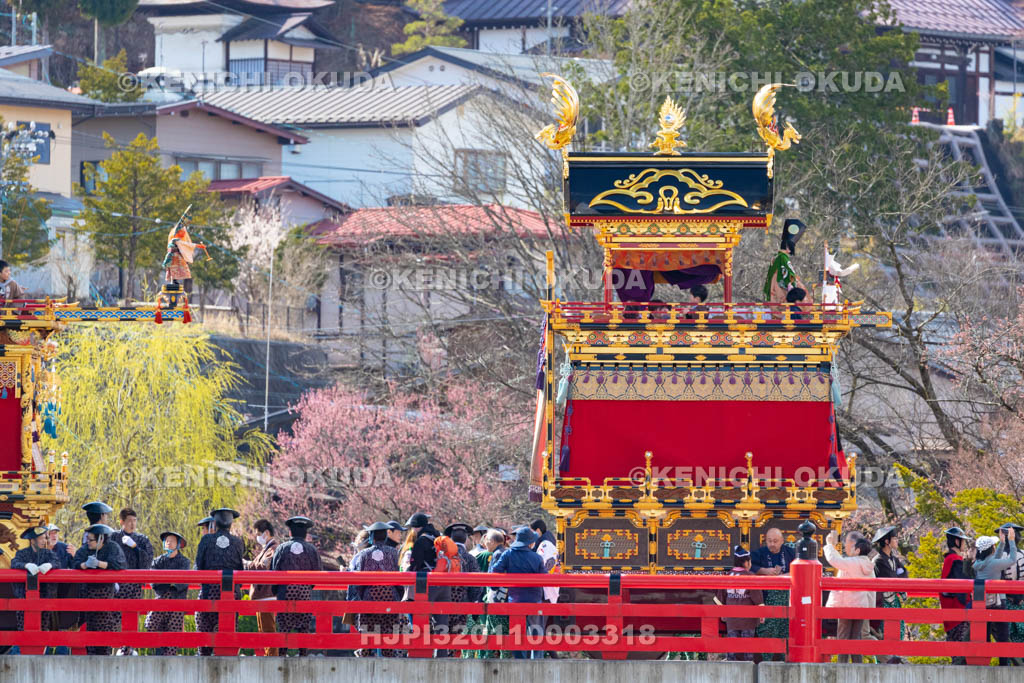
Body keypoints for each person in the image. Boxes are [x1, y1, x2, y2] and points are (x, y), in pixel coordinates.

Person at [348, 521, 406, 657]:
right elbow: (399, 577)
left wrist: (363, 597)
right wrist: (397, 596)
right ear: (385, 537)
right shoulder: (393, 553)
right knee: (388, 634)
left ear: (371, 537)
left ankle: (365, 654)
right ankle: (388, 657)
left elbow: (359, 582)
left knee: (367, 634)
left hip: (370, 597)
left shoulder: (364, 554)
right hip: (390, 597)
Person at [489, 527, 546, 660]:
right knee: (536, 632)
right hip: (534, 599)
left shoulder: (508, 554)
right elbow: (545, 577)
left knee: (517, 632)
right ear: (530, 543)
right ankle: (537, 659)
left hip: (515, 599)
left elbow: (495, 571)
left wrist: (494, 587)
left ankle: (519, 659)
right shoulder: (536, 557)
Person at [194, 508, 244, 656]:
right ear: (231, 524)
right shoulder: (237, 542)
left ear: (214, 523)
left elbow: (199, 567)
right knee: (227, 628)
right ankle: (227, 654)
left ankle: (204, 653)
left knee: (204, 626)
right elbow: (240, 569)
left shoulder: (206, 540)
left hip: (209, 591)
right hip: (231, 593)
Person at [270, 516, 322, 655]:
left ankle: (282, 653)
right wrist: (307, 586)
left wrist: (276, 590)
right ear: (306, 533)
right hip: (304, 590)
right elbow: (317, 572)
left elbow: (274, 571)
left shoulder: (282, 548)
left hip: (285, 590)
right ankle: (302, 653)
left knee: (284, 625)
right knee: (303, 624)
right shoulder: (311, 549)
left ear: (290, 533)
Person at [72, 523, 125, 655]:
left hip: (105, 591)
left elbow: (118, 564)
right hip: (88, 591)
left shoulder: (112, 547)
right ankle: (90, 653)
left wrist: (99, 564)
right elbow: (75, 562)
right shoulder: (85, 549)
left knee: (104, 625)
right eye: (87, 539)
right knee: (90, 626)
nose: (88, 542)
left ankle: (104, 654)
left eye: (91, 540)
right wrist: (85, 565)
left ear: (101, 539)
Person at [823, 529, 875, 663]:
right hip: (861, 605)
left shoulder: (854, 562)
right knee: (855, 637)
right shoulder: (866, 564)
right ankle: (858, 664)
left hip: (847, 604)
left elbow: (834, 560)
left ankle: (842, 665)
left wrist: (829, 544)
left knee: (843, 636)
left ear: (857, 550)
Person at [110, 507, 154, 655]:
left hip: (133, 587)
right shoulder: (113, 537)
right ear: (122, 522)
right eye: (129, 521)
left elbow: (148, 562)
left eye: (135, 521)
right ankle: (113, 650)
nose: (132, 524)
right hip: (116, 586)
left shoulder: (142, 539)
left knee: (131, 620)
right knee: (113, 620)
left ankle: (128, 650)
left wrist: (135, 547)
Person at [973, 526, 1017, 666]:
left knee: (985, 634)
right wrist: (1011, 541)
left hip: (983, 602)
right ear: (991, 548)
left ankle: (984, 662)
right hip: (998, 601)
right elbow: (1012, 559)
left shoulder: (978, 564)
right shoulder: (993, 564)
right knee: (1003, 634)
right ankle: (1003, 664)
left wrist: (1002, 543)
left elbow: (994, 559)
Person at [751, 528, 796, 660]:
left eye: (775, 541)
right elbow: (750, 566)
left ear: (782, 541)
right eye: (769, 541)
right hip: (766, 596)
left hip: (786, 597)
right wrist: (764, 571)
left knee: (784, 628)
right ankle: (765, 658)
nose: (772, 544)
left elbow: (799, 568)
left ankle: (783, 658)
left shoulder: (790, 552)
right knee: (767, 629)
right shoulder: (760, 553)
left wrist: (785, 576)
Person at [714, 546, 764, 663]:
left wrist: (723, 612)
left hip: (732, 619)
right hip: (748, 619)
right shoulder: (750, 577)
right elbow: (758, 599)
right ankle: (748, 667)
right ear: (746, 562)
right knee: (748, 648)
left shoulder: (728, 576)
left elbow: (720, 599)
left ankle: (731, 666)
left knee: (732, 646)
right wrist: (762, 614)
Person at [145, 531, 191, 656]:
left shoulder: (184, 562)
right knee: (150, 623)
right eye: (167, 541)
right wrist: (169, 582)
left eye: (172, 541)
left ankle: (170, 657)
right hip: (161, 598)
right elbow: (154, 581)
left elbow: (183, 581)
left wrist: (167, 581)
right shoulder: (157, 561)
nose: (169, 543)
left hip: (177, 600)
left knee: (173, 632)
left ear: (178, 544)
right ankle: (159, 650)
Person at [871, 525, 908, 662]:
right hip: (883, 601)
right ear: (887, 541)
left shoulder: (893, 559)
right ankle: (884, 660)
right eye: (894, 538)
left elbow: (904, 573)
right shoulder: (879, 560)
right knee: (884, 633)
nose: (897, 541)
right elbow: (892, 577)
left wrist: (899, 576)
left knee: (898, 630)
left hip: (893, 599)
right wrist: (898, 575)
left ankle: (895, 658)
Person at [243, 519, 279, 656]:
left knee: (268, 628)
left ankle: (272, 657)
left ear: (267, 533)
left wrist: (247, 565)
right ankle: (268, 655)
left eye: (258, 533)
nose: (257, 537)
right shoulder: (267, 548)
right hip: (262, 594)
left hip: (267, 594)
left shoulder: (273, 548)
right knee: (263, 628)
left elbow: (264, 566)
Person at [11, 527, 57, 632]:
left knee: (44, 627)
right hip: (24, 596)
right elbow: (14, 563)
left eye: (45, 538)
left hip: (44, 595)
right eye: (41, 538)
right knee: (23, 627)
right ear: (32, 540)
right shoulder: (22, 553)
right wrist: (26, 565)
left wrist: (49, 565)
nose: (44, 541)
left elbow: (57, 562)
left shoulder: (48, 553)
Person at [940, 526, 974, 665]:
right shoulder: (955, 560)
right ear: (957, 541)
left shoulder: (949, 560)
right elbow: (963, 585)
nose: (964, 544)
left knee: (957, 651)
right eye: (963, 541)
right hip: (958, 611)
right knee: (962, 651)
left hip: (950, 612)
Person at [445, 523, 482, 638]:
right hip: (463, 601)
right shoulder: (470, 558)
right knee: (459, 637)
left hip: (443, 600)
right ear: (466, 539)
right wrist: (472, 600)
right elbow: (477, 585)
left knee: (441, 633)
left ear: (450, 538)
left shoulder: (443, 556)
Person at [763, 218, 807, 303]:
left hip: (772, 286)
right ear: (787, 247)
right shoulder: (783, 257)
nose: (790, 251)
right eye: (790, 247)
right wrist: (792, 284)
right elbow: (789, 272)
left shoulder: (776, 256)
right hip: (780, 287)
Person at [999, 522, 1024, 646]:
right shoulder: (1022, 554)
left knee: (1006, 636)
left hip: (1006, 600)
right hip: (1020, 600)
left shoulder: (999, 556)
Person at [530, 519, 560, 607]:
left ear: (538, 531)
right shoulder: (549, 540)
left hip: (544, 585)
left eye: (532, 532)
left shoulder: (544, 544)